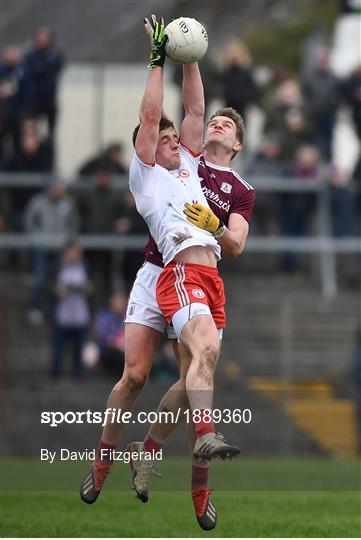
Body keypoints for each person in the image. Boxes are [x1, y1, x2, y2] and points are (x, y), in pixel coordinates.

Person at [80, 15, 255, 531]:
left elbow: (193, 109)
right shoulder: (151, 172)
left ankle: (156, 457)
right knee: (135, 375)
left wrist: (189, 54)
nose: (175, 136)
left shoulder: (199, 168)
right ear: (148, 144)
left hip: (204, 275)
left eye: (177, 135)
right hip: (163, 273)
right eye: (164, 134)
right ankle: (107, 462)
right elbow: (159, 111)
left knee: (198, 368)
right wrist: (163, 59)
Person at [51, 242, 92, 378]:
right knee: (58, 350)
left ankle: (78, 374)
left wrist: (86, 288)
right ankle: (55, 374)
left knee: (78, 350)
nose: (74, 255)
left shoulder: (86, 266)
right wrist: (57, 291)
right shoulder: (58, 267)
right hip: (62, 316)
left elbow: (92, 287)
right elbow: (49, 286)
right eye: (71, 252)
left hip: (80, 316)